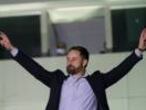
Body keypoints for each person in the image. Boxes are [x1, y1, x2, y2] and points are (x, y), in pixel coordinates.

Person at [0, 29, 146, 110]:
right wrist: (12, 49)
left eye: (74, 59)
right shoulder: (57, 80)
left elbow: (120, 71)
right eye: (68, 59)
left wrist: (139, 50)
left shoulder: (97, 81)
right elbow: (35, 70)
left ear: (85, 62)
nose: (69, 62)